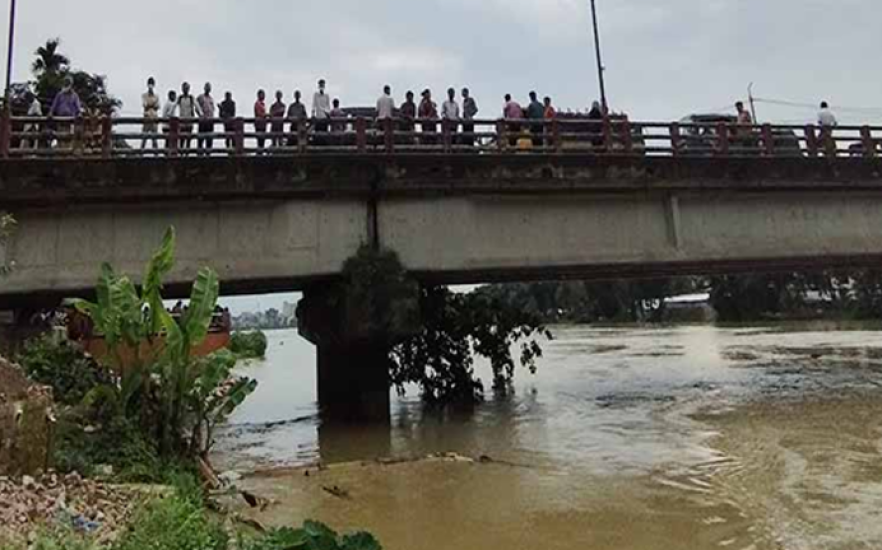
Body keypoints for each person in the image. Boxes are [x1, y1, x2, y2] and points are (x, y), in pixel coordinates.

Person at [49, 77, 82, 147]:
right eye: (65, 82)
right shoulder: (59, 95)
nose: (67, 84)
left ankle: (68, 152)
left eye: (68, 83)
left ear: (71, 85)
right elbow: (54, 105)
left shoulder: (75, 96)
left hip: (70, 120)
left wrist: (79, 114)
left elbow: (78, 108)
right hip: (60, 119)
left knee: (69, 137)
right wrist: (50, 113)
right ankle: (60, 152)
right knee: (60, 136)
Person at [177, 82, 199, 152]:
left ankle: (187, 153)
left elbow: (197, 106)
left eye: (186, 88)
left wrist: (201, 115)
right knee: (182, 139)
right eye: (184, 88)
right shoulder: (180, 98)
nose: (185, 89)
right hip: (182, 122)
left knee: (189, 138)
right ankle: (181, 153)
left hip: (189, 121)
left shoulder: (191, 98)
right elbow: (173, 106)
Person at [141, 77, 161, 151]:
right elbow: (145, 104)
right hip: (146, 118)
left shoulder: (156, 96)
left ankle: (156, 155)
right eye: (149, 84)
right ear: (147, 85)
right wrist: (153, 103)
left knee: (155, 139)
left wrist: (150, 104)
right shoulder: (144, 95)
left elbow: (158, 106)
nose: (150, 85)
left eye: (152, 84)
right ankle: (140, 154)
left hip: (154, 118)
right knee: (144, 138)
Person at [196, 82, 215, 154]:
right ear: (204, 88)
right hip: (203, 121)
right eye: (207, 87)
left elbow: (212, 109)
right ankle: (200, 155)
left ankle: (208, 154)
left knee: (209, 139)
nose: (208, 89)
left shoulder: (211, 98)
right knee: (201, 139)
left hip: (210, 121)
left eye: (209, 88)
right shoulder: (200, 97)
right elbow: (196, 107)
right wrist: (200, 115)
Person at [312, 79, 331, 145]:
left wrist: (328, 114)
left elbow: (328, 106)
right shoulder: (316, 94)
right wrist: (313, 114)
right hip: (318, 117)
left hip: (324, 117)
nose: (321, 85)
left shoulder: (326, 95)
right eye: (320, 84)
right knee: (317, 133)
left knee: (324, 133)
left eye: (322, 84)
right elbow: (314, 105)